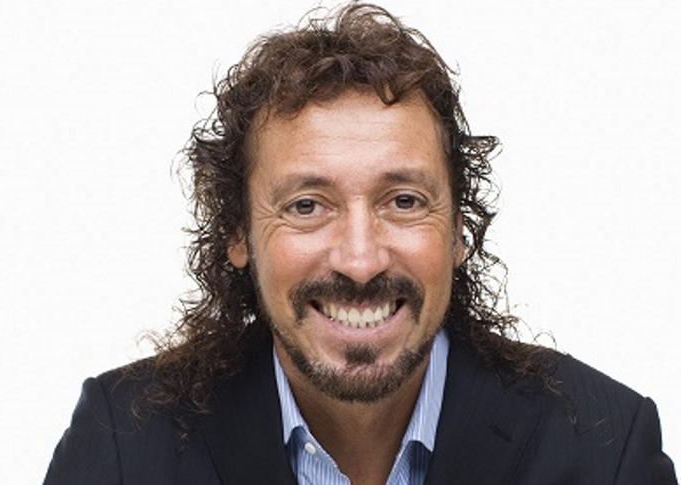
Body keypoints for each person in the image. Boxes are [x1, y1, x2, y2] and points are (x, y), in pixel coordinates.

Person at [43, 3, 677, 484]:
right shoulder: (124, 444)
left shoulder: (606, 449)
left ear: (459, 228)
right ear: (238, 232)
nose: (360, 259)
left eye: (403, 201)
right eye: (307, 206)